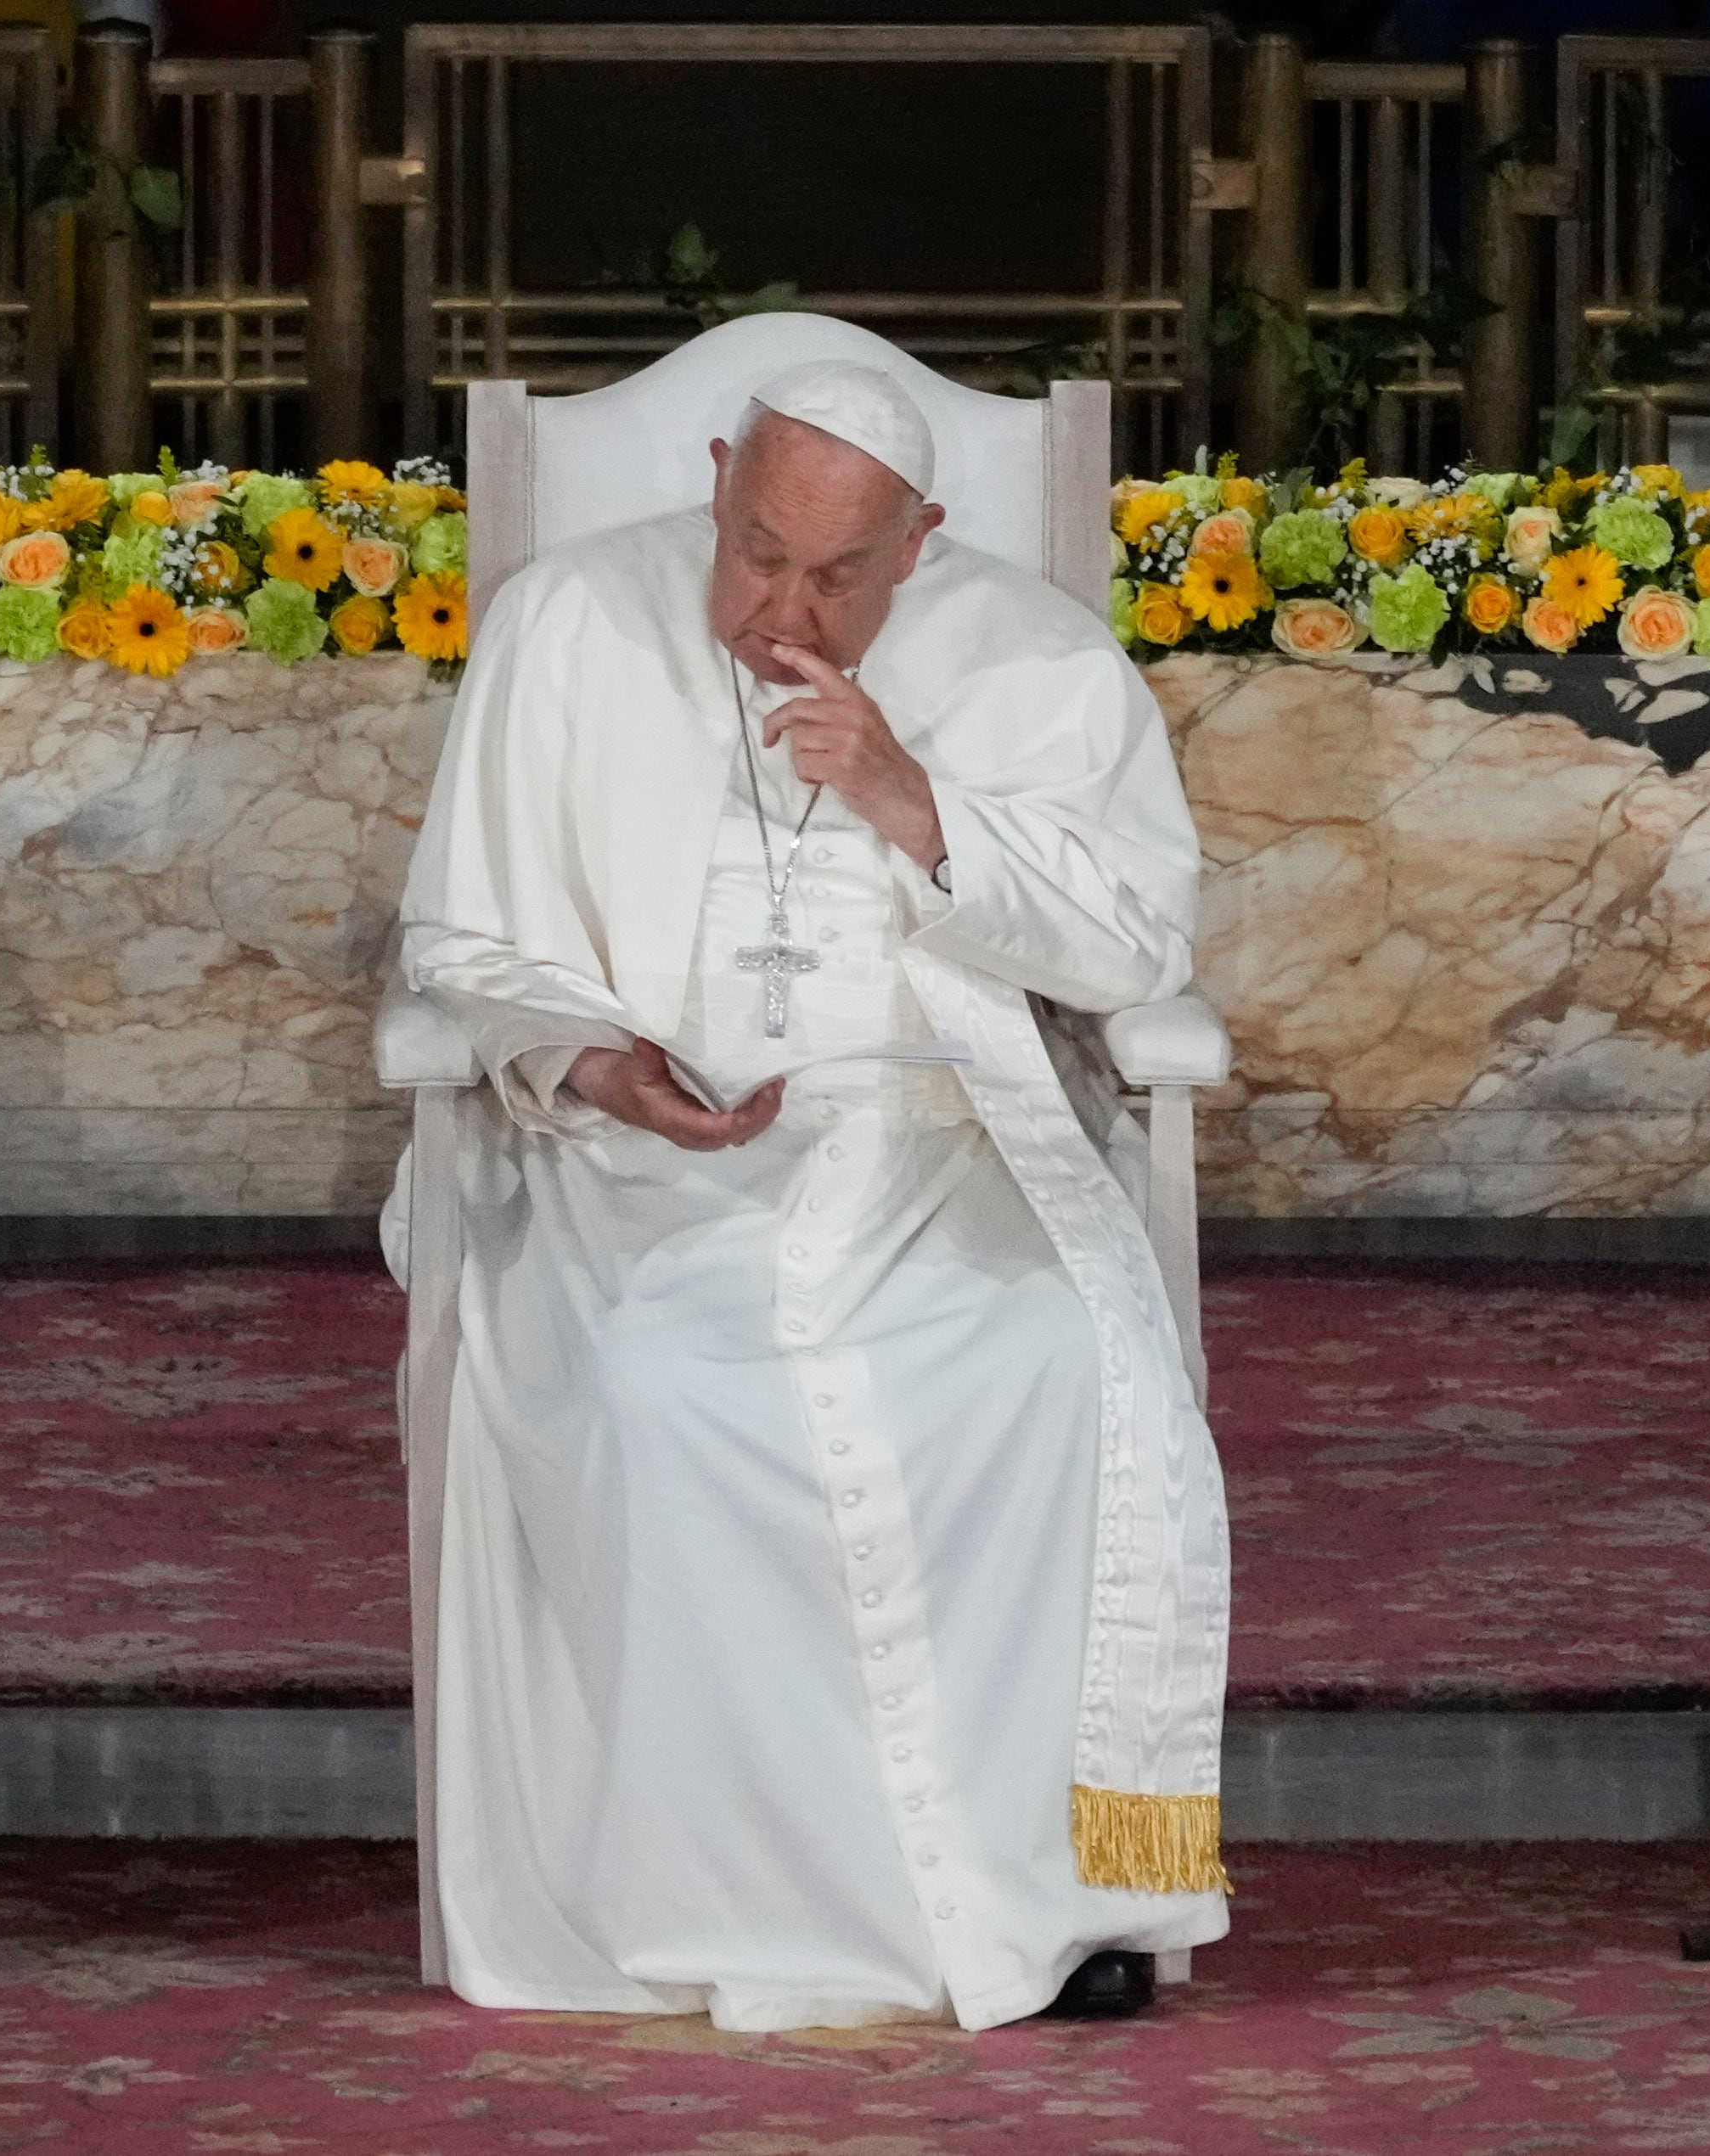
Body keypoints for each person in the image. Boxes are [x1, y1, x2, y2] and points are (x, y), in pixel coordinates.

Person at [389, 357, 1229, 2033]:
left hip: (945, 1138)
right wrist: (598, 1065)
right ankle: (741, 1898)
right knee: (660, 1385)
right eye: (758, 549)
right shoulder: (567, 626)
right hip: (641, 1157)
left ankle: (1047, 1901)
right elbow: (465, 944)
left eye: (835, 573)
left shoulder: (1038, 657)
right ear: (716, 479)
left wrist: (914, 797)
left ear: (920, 543)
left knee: (1057, 1374)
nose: (783, 601)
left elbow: (1138, 945)